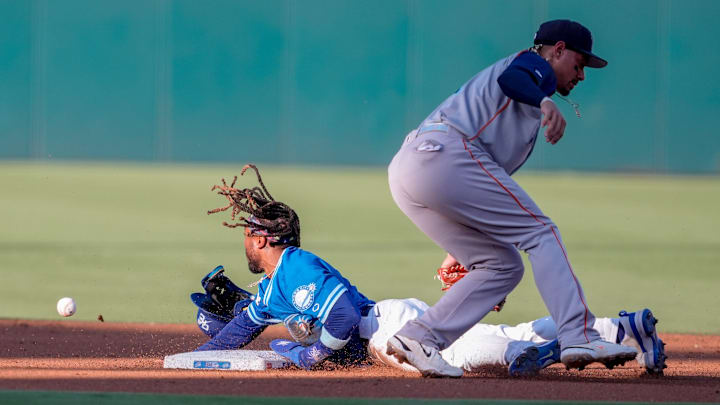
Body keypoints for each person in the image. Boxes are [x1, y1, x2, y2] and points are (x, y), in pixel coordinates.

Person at [190, 165, 666, 377]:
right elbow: (237, 333)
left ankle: (547, 349)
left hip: (388, 326)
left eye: (248, 234)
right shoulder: (275, 285)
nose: (244, 241)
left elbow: (339, 322)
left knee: (469, 358)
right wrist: (200, 353)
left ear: (264, 239)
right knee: (498, 333)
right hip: (385, 327)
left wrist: (313, 356)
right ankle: (621, 328)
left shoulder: (297, 266)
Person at [385, 19, 638, 377]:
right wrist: (546, 100)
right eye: (579, 65)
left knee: (500, 265)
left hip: (412, 169)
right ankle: (579, 335)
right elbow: (514, 78)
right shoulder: (533, 65)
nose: (581, 76)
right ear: (559, 50)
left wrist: (458, 247)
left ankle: (420, 338)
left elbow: (480, 189)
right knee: (541, 232)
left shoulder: (519, 105)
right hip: (445, 153)